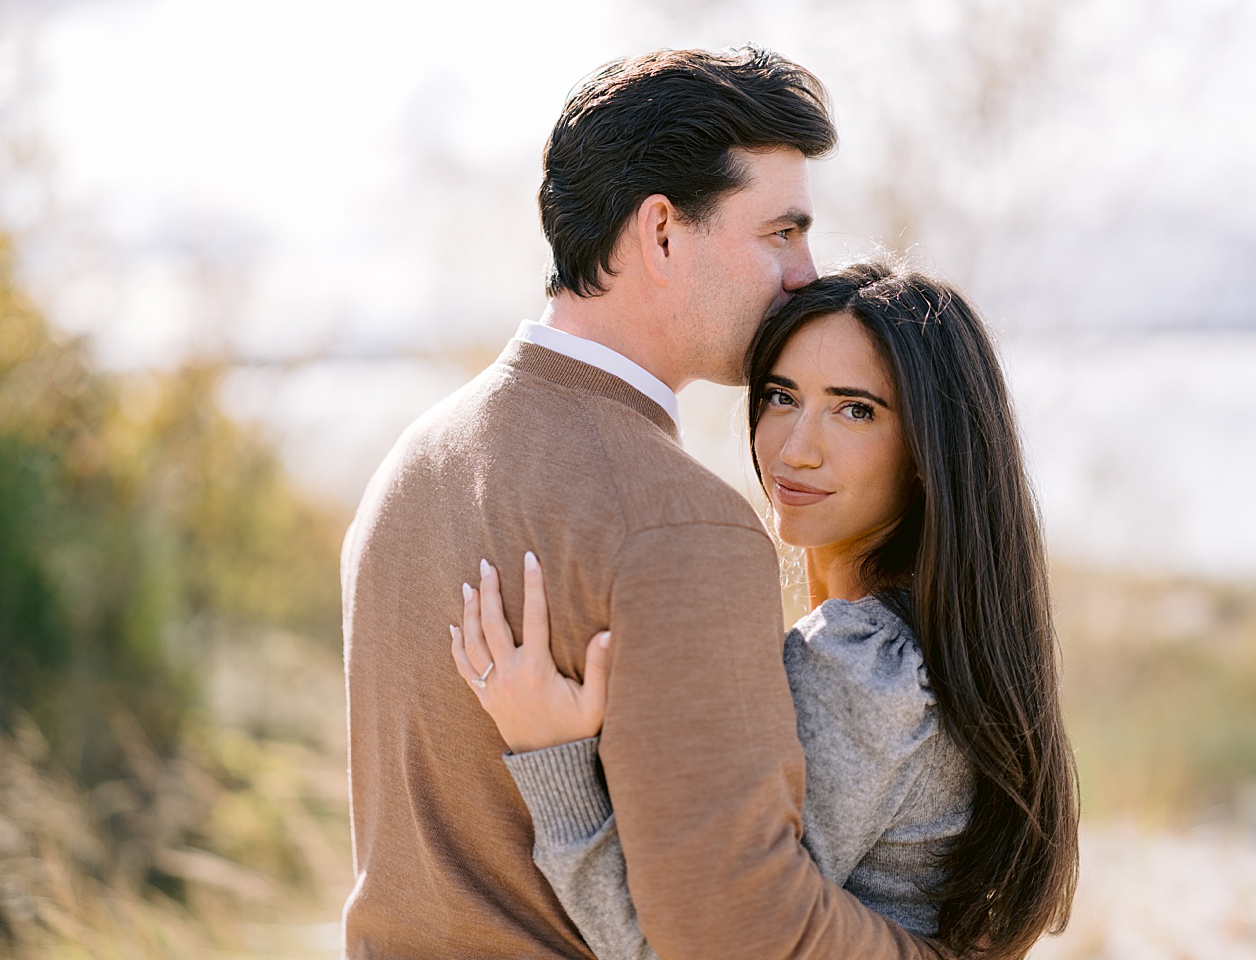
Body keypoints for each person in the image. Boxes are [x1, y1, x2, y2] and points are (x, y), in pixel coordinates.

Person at [341, 46, 941, 958]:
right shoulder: (683, 526)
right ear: (661, 232)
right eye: (780, 233)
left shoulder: (407, 468)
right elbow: (740, 931)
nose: (804, 273)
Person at [452, 260, 1081, 960]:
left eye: (855, 410)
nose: (795, 449)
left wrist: (553, 759)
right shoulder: (927, 644)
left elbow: (691, 948)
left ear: (928, 449)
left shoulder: (861, 669)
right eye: (781, 398)